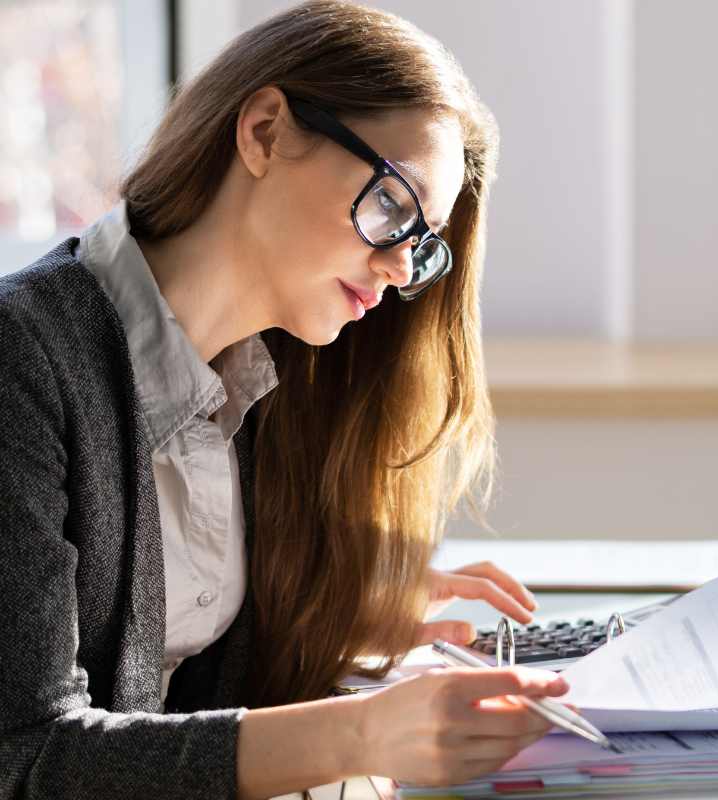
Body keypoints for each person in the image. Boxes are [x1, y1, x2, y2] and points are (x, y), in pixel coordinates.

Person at [0, 2, 569, 797]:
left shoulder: (272, 390)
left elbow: (180, 705)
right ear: (264, 131)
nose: (403, 270)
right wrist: (364, 733)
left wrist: (331, 616)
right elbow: (24, 757)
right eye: (393, 207)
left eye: (423, 242)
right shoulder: (22, 357)